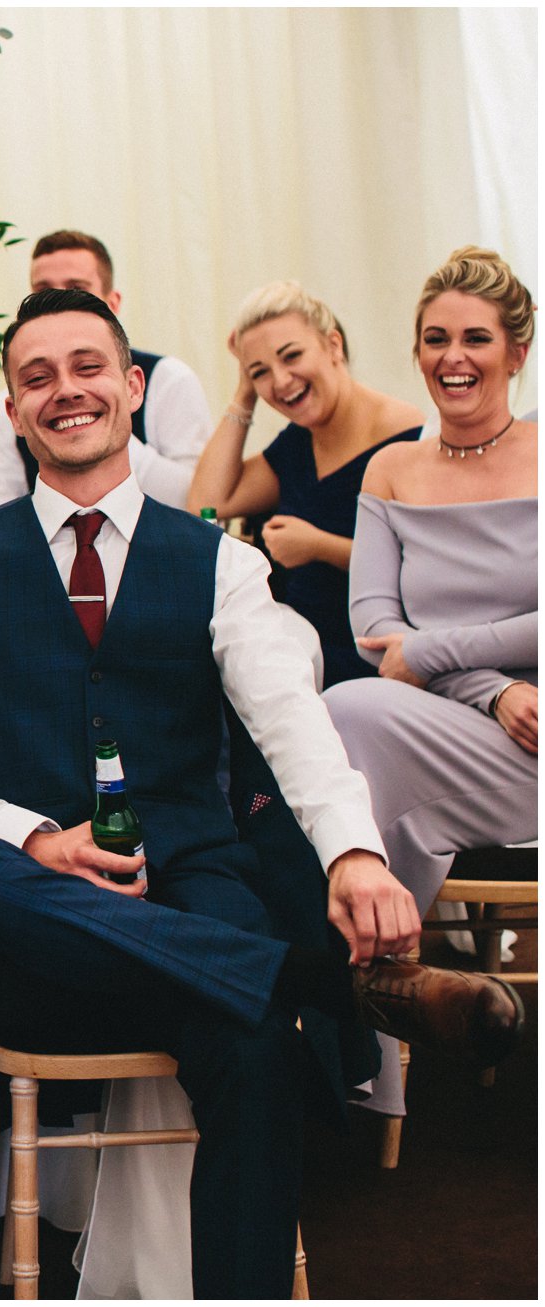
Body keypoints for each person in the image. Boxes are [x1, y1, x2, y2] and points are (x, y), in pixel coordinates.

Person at [0, 289, 520, 1298]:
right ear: (12, 411)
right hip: (42, 918)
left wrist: (353, 852)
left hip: (191, 883)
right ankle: (313, 979)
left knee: (252, 1048)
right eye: (35, 377)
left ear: (131, 386)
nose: (65, 391)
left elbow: (290, 720)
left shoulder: (219, 560)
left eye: (87, 366)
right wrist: (34, 837)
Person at [324, 246, 538, 1117]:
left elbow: (418, 649)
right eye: (435, 338)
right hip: (467, 726)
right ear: (416, 353)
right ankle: (378, 981)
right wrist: (491, 687)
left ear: (516, 353)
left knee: (356, 719)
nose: (454, 356)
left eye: (476, 338)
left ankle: (351, 992)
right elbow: (378, 635)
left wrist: (443, 656)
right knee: (349, 707)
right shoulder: (391, 470)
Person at [188, 281, 426, 686]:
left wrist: (318, 546)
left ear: (333, 345)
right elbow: (208, 502)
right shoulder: (298, 441)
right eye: (261, 371)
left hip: (371, 660)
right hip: (295, 645)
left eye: (291, 356)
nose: (280, 381)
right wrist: (244, 392)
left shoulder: (407, 437)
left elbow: (424, 567)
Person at [0, 229, 212, 515]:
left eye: (77, 289)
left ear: (112, 304)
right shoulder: (14, 401)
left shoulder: (167, 379)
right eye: (44, 291)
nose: (62, 302)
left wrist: (103, 421)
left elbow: (200, 501)